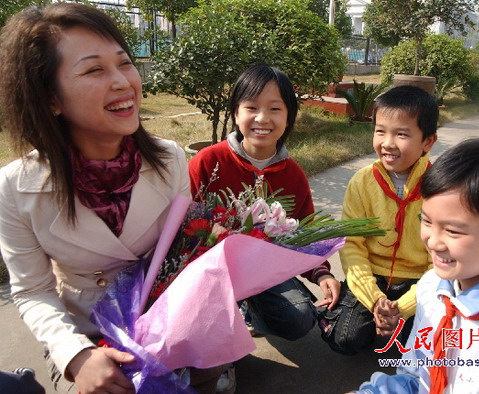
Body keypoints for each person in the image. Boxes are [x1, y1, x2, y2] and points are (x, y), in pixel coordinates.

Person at [0, 4, 223, 394]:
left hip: (168, 318)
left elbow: (186, 249)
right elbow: (33, 291)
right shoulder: (15, 188)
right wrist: (76, 356)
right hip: (88, 333)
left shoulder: (169, 158)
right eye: (94, 70)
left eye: (124, 63)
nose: (123, 82)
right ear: (51, 98)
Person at [350, 137, 479, 393]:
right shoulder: (432, 287)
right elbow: (415, 378)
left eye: (453, 231)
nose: (433, 242)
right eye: (427, 221)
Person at [188, 63, 341, 392]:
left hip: (264, 275)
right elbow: (185, 228)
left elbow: (304, 236)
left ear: (289, 116)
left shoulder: (294, 175)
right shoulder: (208, 162)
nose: (262, 118)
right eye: (252, 107)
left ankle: (250, 310)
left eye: (275, 108)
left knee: (301, 318)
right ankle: (222, 349)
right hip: (212, 277)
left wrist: (322, 273)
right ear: (235, 112)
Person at [317, 85, 438, 355]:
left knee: (424, 349)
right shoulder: (362, 181)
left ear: (427, 141)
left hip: (419, 281)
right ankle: (365, 315)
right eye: (380, 130)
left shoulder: (441, 187)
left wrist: (404, 307)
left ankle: (399, 323)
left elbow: (441, 263)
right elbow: (352, 246)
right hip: (373, 277)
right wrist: (374, 300)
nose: (387, 143)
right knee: (344, 340)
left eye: (402, 134)